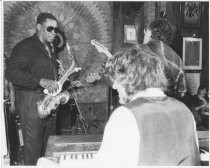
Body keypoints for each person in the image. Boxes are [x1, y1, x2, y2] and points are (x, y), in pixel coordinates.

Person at [37, 45, 200, 166]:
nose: (114, 86)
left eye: (118, 79)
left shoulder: (126, 116)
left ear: (131, 78)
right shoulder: (185, 112)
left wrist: (55, 165)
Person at [5, 12, 60, 165]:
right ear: (39, 27)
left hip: (48, 102)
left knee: (49, 147)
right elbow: (12, 73)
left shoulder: (49, 47)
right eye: (50, 28)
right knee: (33, 149)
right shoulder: (25, 46)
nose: (54, 33)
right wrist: (39, 81)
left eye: (56, 29)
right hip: (31, 102)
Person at [143, 18, 187, 99]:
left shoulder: (138, 51)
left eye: (146, 31)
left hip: (139, 106)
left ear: (150, 32)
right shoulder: (178, 60)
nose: (145, 34)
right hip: (165, 107)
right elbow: (182, 93)